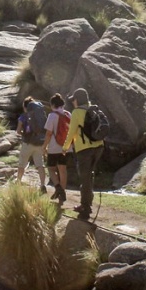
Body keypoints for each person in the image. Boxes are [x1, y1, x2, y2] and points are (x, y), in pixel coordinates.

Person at [62, 87, 104, 221]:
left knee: (85, 177)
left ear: (77, 100)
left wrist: (65, 147)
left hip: (84, 149)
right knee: (89, 175)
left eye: (73, 99)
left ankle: (85, 207)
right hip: (99, 146)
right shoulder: (93, 109)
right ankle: (87, 203)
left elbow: (72, 131)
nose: (73, 102)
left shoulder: (77, 112)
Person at [43, 93, 72, 205]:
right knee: (62, 170)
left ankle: (59, 189)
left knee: (51, 169)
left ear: (53, 105)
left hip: (54, 148)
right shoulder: (68, 114)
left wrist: (44, 146)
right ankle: (61, 194)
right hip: (66, 148)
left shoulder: (52, 116)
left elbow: (49, 133)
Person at [16, 96, 48, 193]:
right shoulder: (40, 115)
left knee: (22, 163)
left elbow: (18, 131)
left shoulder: (23, 117)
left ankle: (18, 182)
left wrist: (24, 134)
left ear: (25, 107)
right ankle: (42, 185)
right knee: (40, 164)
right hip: (39, 142)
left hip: (27, 143)